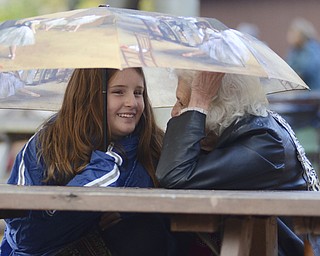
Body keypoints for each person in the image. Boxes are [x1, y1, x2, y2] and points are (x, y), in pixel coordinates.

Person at [0, 68, 177, 256]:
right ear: (89, 94)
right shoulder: (47, 143)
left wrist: (126, 217)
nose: (132, 102)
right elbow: (25, 234)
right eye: (118, 92)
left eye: (138, 93)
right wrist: (107, 165)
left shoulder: (155, 146)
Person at [156, 70, 320, 255]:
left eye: (183, 103)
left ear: (217, 106)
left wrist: (200, 99)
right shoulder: (242, 131)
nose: (174, 111)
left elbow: (175, 175)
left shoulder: (265, 141)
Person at [286, 17, 320, 91]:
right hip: (303, 93)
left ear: (302, 34)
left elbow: (307, 70)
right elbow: (287, 68)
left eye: (293, 32)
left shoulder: (312, 49)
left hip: (314, 93)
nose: (290, 36)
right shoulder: (294, 51)